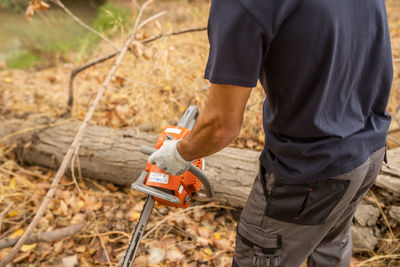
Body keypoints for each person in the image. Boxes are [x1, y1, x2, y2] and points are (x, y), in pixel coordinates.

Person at [149, 0, 393, 266]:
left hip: (310, 175)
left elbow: (221, 126)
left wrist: (179, 153)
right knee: (328, 245)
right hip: (369, 150)